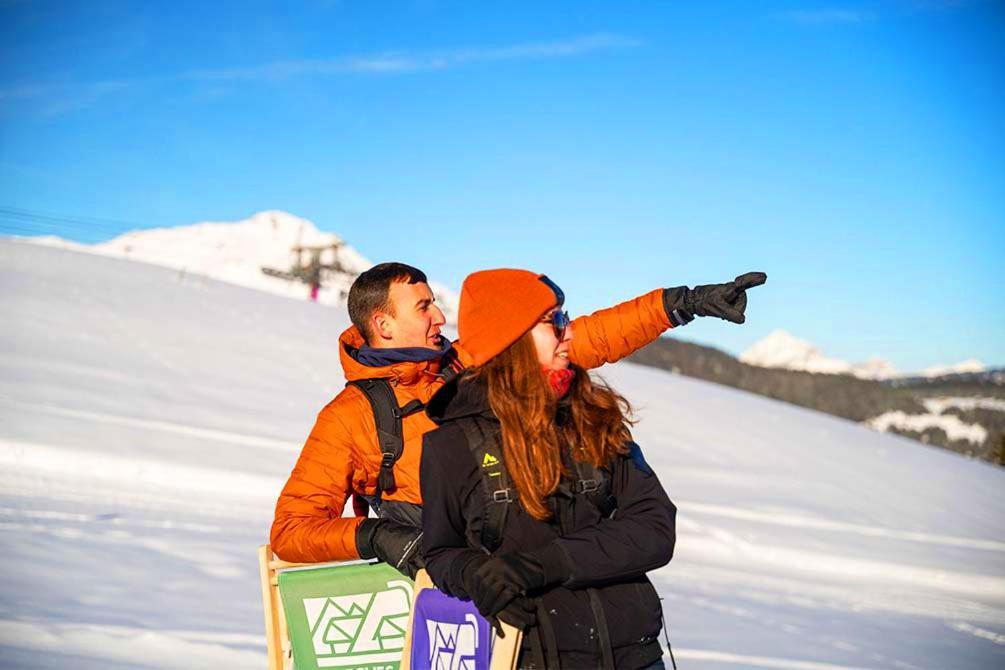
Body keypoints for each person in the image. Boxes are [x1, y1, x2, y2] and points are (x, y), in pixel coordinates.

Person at [270, 262, 766, 580]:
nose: (440, 317)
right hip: (439, 598)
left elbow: (577, 340)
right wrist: (377, 538)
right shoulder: (352, 416)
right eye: (424, 306)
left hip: (527, 570)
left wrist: (677, 305)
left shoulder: (469, 363)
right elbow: (291, 531)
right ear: (382, 323)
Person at [420, 268, 746, 669]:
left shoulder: (592, 416)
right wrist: (476, 574)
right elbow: (440, 552)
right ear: (511, 337)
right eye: (555, 322)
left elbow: (655, 526)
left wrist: (542, 565)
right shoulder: (450, 445)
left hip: (636, 657)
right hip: (531, 657)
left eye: (566, 318)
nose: (569, 332)